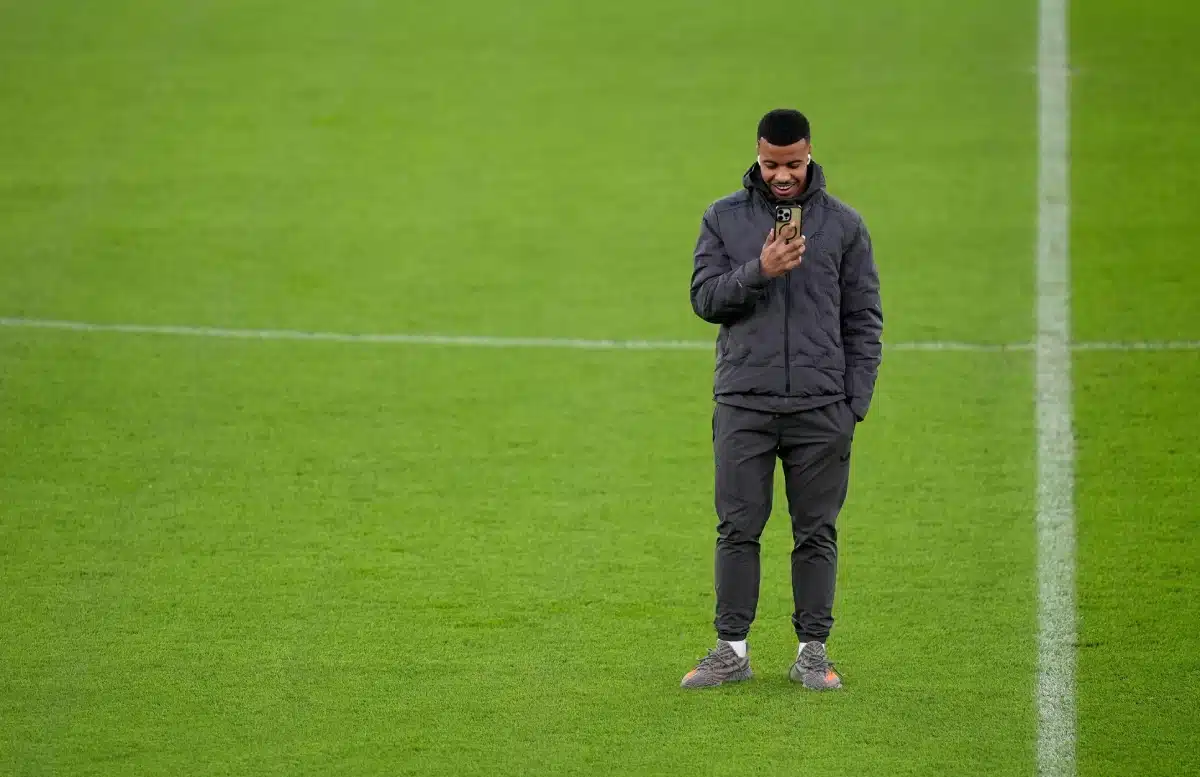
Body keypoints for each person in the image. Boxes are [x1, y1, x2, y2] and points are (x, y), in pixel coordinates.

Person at [680, 109, 882, 690]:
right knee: (737, 528)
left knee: (816, 533)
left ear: (809, 153)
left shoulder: (844, 226)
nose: (783, 175)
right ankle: (731, 651)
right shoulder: (722, 218)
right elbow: (704, 299)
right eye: (771, 164)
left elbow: (864, 319)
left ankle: (812, 653)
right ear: (758, 154)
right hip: (744, 402)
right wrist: (759, 270)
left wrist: (852, 403)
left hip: (821, 410)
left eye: (792, 163)